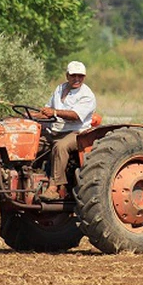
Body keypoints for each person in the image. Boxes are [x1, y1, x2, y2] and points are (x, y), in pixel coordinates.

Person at [38, 61, 97, 201]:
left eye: (80, 76)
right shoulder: (59, 89)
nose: (77, 79)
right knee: (34, 142)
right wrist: (31, 116)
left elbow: (76, 115)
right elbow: (48, 110)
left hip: (77, 133)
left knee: (61, 146)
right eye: (73, 75)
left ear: (84, 77)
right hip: (56, 130)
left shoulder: (86, 95)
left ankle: (54, 187)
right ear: (67, 76)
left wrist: (54, 112)